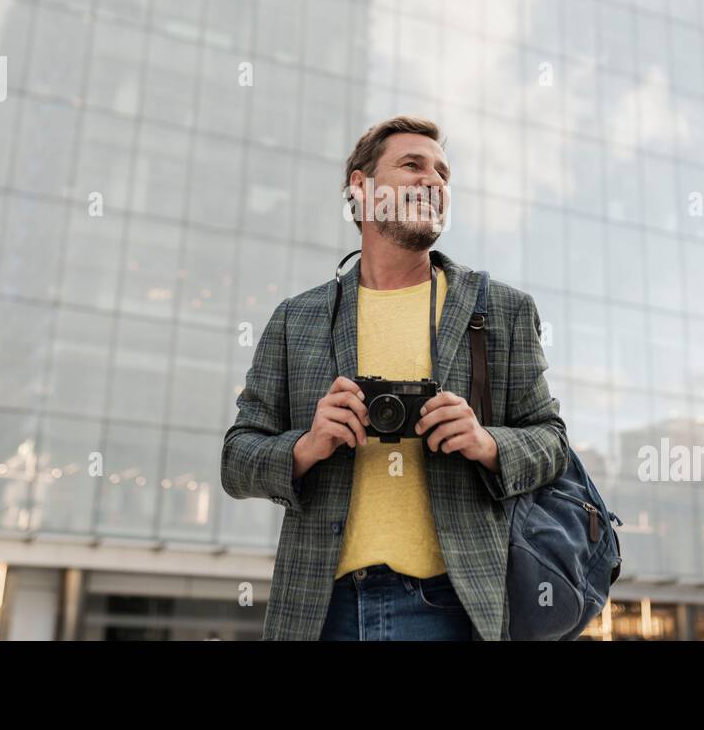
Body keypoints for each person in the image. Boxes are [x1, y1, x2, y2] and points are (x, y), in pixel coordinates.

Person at [221, 115, 569, 640]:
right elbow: (236, 459)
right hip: (319, 610)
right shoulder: (296, 319)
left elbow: (552, 441)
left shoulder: (501, 309)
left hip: (454, 604)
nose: (435, 181)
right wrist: (308, 445)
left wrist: (485, 442)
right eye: (412, 165)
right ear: (361, 188)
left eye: (444, 174)